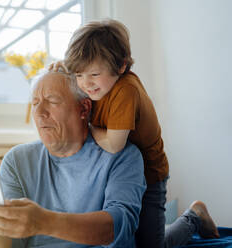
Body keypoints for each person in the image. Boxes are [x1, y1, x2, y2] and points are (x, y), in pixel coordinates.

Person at [49, 19, 220, 247]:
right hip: (117, 175)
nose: (85, 84)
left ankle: (193, 217)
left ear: (120, 66)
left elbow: (113, 144)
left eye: (94, 75)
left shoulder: (125, 91)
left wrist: (86, 126)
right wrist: (63, 70)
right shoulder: (99, 81)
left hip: (149, 176)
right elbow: (83, 73)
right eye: (79, 75)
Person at [0, 69, 147, 248]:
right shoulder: (17, 160)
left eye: (52, 101)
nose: (40, 112)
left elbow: (119, 227)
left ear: (83, 108)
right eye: (35, 103)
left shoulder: (122, 156)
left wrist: (45, 222)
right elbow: (8, 245)